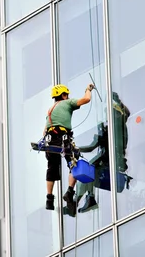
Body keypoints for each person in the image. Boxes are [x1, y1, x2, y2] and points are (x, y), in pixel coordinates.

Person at [44, 83, 94, 213]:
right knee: (74, 163)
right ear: (64, 95)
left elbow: (44, 131)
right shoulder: (67, 103)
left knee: (52, 167)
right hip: (63, 138)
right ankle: (69, 192)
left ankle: (49, 199)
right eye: (67, 95)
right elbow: (86, 99)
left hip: (50, 140)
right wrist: (88, 89)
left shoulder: (50, 109)